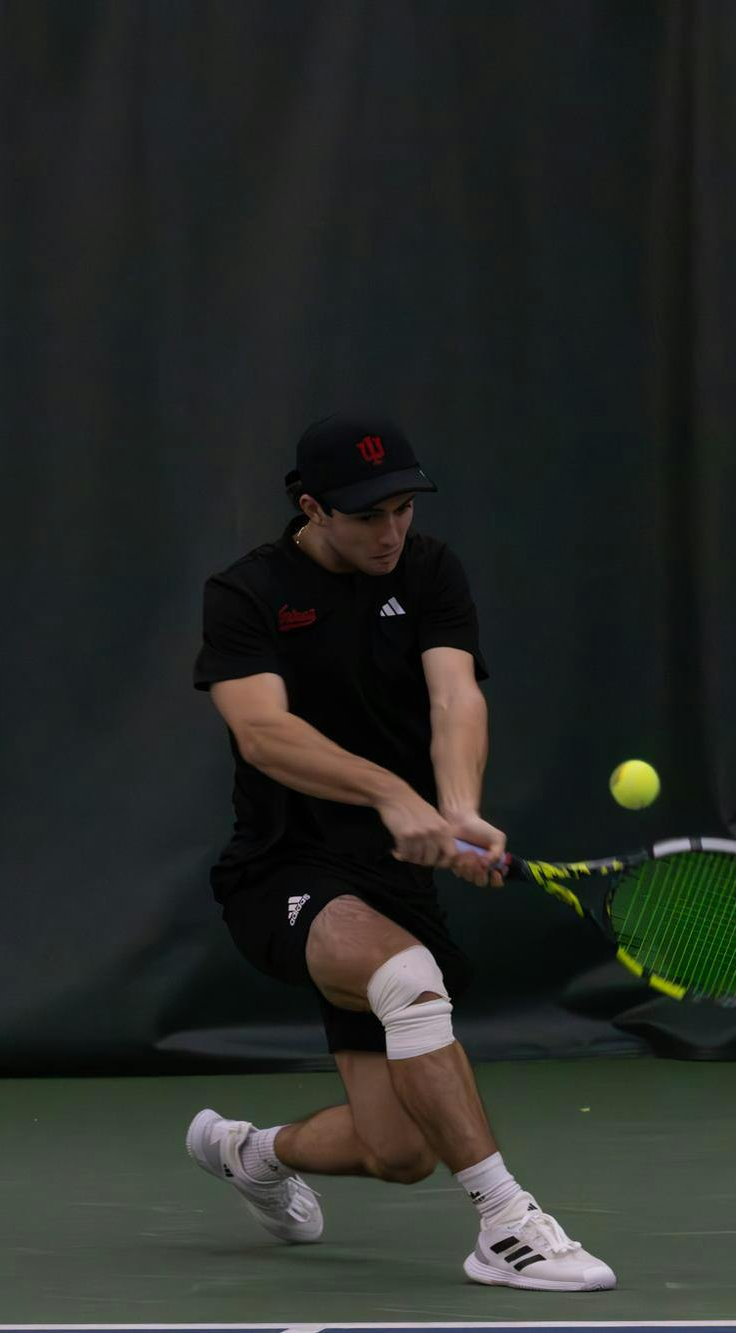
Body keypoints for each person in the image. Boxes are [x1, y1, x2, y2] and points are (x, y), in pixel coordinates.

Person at [185, 411, 616, 1292]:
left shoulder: (430, 570)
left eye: (403, 510)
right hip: (284, 868)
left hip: (395, 878)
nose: (391, 531)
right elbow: (264, 732)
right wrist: (391, 793)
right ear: (312, 508)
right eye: (367, 515)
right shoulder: (246, 593)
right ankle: (505, 1223)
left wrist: (456, 809)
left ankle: (251, 1153)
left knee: (399, 1149)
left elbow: (455, 696)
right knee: (405, 975)